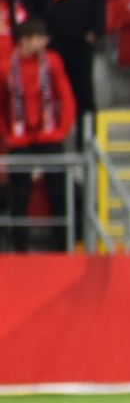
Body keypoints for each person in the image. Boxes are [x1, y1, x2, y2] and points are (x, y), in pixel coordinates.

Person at [3, 18, 76, 251]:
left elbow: (66, 97)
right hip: (20, 139)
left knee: (58, 191)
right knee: (19, 195)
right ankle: (20, 249)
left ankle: (62, 245)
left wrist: (61, 131)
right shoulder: (6, 67)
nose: (44, 42)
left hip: (48, 136)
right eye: (39, 38)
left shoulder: (52, 62)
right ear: (24, 40)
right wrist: (7, 136)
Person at [15, 0, 105, 117]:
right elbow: (25, 2)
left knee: (84, 95)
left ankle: (87, 133)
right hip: (51, 42)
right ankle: (51, 133)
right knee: (51, 94)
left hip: (81, 41)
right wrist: (39, 34)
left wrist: (95, 29)